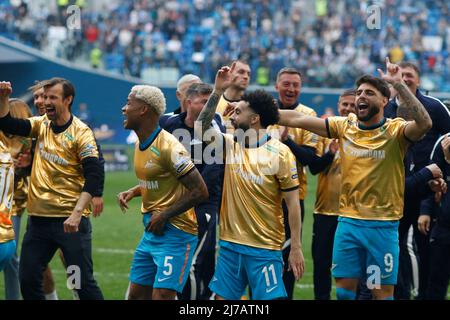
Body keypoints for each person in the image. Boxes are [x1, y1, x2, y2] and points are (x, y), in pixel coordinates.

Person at [274, 58, 432, 299]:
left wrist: (399, 84)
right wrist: (258, 110)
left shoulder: (396, 131)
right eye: (359, 92)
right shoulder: (344, 126)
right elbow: (296, 119)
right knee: (345, 294)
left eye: (369, 93)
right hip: (348, 225)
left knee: (381, 294)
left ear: (384, 100)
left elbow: (425, 123)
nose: (361, 96)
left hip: (383, 227)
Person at [196, 65, 305, 300]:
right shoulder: (230, 144)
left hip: (264, 249)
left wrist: (295, 247)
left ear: (254, 119)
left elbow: (293, 203)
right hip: (230, 247)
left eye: (240, 111)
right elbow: (200, 128)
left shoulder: (280, 153)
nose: (233, 114)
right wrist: (217, 92)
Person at [0, 78, 104, 300]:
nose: (45, 102)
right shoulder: (40, 124)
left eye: (52, 98)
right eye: (44, 97)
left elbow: (94, 175)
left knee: (80, 283)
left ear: (68, 100)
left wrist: (77, 214)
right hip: (38, 223)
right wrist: (4, 98)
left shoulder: (81, 133)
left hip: (70, 224)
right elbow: (7, 123)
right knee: (27, 279)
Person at [117, 85, 209, 300]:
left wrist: (164, 214)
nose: (124, 108)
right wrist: (134, 191)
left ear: (143, 110)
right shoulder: (142, 143)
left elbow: (200, 191)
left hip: (176, 234)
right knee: (136, 296)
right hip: (151, 231)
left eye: (129, 103)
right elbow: (161, 180)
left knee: (162, 296)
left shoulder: (169, 148)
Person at [384, 62, 450, 299]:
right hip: (393, 191)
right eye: (402, 76)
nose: (406, 79)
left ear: (418, 80)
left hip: (428, 192)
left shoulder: (434, 107)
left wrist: (441, 174)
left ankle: (420, 293)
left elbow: (448, 138)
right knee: (395, 247)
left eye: (410, 76)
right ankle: (401, 292)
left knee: (423, 249)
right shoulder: (386, 109)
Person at [161, 83, 225, 300]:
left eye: (211, 102)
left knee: (196, 263)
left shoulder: (215, 129)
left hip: (203, 204)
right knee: (173, 263)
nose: (209, 107)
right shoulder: (169, 125)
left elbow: (214, 172)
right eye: (203, 102)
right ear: (188, 103)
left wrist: (190, 194)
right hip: (173, 204)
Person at [271, 67, 320, 299]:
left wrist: (287, 140)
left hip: (292, 199)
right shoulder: (263, 111)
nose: (291, 88)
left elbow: (311, 161)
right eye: (286, 84)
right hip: (262, 199)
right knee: (262, 257)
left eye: (295, 85)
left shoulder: (308, 114)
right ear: (276, 86)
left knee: (290, 259)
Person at [309, 89, 356, 300]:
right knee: (321, 264)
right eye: (345, 104)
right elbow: (314, 168)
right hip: (325, 212)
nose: (348, 109)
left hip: (352, 213)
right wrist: (330, 153)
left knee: (350, 268)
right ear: (338, 105)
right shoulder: (324, 133)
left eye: (352, 105)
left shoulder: (363, 135)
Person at [1, 99, 32, 300]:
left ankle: (13, 297)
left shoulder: (27, 140)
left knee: (10, 256)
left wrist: (19, 167)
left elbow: (27, 171)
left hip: (15, 203)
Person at [418, 134, 450, 300]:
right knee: (436, 279)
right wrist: (425, 210)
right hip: (444, 223)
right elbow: (433, 179)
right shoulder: (444, 142)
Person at [215, 60, 251, 133]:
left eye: (248, 74)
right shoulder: (215, 103)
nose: (246, 77)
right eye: (241, 72)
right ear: (229, 73)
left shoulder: (252, 106)